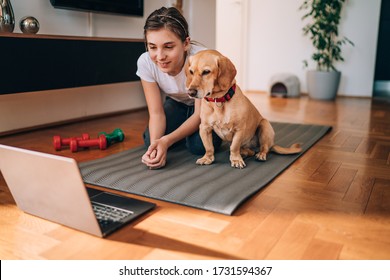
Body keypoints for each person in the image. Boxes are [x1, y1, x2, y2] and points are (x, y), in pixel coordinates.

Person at [136, 7, 221, 169]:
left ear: (186, 43)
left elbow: (198, 115)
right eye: (152, 47)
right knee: (150, 140)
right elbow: (156, 113)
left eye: (168, 47)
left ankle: (183, 135)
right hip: (177, 103)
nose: (160, 56)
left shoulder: (201, 59)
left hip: (207, 108)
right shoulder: (145, 62)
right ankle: (181, 134)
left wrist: (167, 141)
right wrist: (156, 146)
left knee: (198, 147)